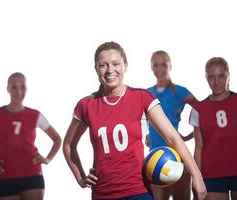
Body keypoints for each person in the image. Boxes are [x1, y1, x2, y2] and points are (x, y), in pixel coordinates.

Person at [63, 41, 206, 200]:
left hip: (138, 190)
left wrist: (197, 177)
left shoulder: (141, 97)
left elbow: (172, 138)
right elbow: (69, 145)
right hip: (102, 193)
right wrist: (81, 177)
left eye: (116, 64)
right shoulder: (86, 105)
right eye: (103, 65)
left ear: (125, 66)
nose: (110, 70)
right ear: (96, 68)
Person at [0, 72, 62, 200]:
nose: (19, 91)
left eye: (22, 87)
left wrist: (47, 159)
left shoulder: (35, 115)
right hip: (4, 175)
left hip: (32, 176)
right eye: (14, 87)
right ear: (7, 89)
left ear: (27, 89)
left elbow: (57, 139)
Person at [145, 50, 197, 200]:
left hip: (177, 156)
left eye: (163, 64)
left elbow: (204, 111)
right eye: (156, 65)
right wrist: (147, 133)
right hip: (155, 158)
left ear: (170, 66)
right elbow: (143, 119)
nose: (160, 69)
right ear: (151, 67)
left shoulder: (179, 91)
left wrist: (189, 135)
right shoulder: (147, 93)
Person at [190, 57, 237, 200]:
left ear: (228, 75)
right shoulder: (198, 109)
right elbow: (198, 148)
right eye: (211, 77)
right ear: (206, 78)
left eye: (221, 76)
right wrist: (196, 178)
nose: (216, 82)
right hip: (211, 174)